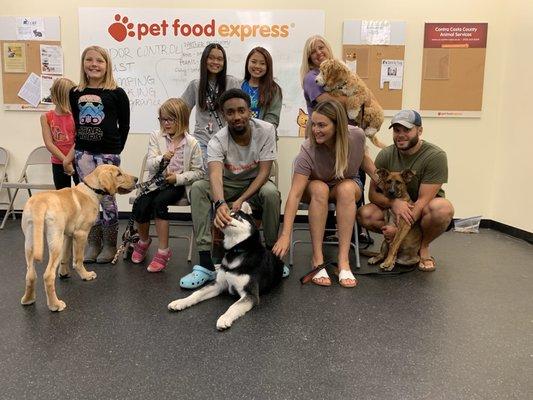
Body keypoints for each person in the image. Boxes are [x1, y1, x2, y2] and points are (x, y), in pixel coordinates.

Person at [180, 88, 281, 289]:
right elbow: (215, 174)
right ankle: (206, 264)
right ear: (224, 115)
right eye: (231, 112)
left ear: (250, 111)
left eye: (241, 110)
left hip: (254, 183)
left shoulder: (267, 130)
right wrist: (220, 203)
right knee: (199, 187)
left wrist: (242, 199)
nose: (237, 116)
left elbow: (264, 173)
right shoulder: (217, 139)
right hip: (227, 184)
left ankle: (271, 257)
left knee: (271, 193)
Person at [272, 100, 377, 288]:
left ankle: (343, 261)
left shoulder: (356, 136)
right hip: (314, 186)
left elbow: (365, 162)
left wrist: (388, 191)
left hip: (344, 184)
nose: (315, 130)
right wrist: (285, 234)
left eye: (322, 125)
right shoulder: (308, 149)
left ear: (338, 126)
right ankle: (317, 259)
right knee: (320, 188)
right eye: (313, 124)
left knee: (346, 189)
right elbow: (295, 194)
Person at [357, 110, 454, 271]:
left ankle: (423, 247)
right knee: (365, 214)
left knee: (442, 209)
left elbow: (422, 201)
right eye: (397, 130)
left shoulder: (435, 156)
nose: (401, 135)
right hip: (396, 208)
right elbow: (373, 195)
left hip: (424, 211)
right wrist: (393, 203)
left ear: (419, 131)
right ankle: (400, 243)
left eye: (407, 130)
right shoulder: (386, 155)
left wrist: (398, 229)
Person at [65, 45, 130, 264]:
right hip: (83, 153)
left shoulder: (117, 93)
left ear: (107, 65)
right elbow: (76, 123)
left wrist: (116, 150)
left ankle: (110, 244)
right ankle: (93, 243)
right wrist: (74, 153)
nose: (94, 64)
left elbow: (125, 125)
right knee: (87, 201)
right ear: (83, 64)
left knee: (108, 201)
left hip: (108, 155)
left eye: (99, 60)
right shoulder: (75, 93)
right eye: (89, 60)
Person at [130, 98, 204, 272]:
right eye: (163, 119)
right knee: (141, 204)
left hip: (176, 186)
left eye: (170, 119)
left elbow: (199, 172)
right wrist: (162, 158)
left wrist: (177, 178)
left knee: (159, 203)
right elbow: (150, 164)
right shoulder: (156, 136)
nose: (166, 123)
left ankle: (163, 251)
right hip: (156, 183)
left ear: (182, 120)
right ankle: (144, 241)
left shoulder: (192, 143)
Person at [181, 43, 241, 168]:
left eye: (219, 59)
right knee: (204, 178)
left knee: (225, 179)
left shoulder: (232, 82)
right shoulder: (196, 85)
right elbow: (181, 111)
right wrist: (186, 136)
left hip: (227, 142)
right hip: (202, 142)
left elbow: (241, 111)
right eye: (211, 58)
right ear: (205, 60)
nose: (215, 62)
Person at [40, 77, 80, 190]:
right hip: (58, 162)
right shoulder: (46, 117)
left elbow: (79, 140)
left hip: (78, 160)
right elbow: (49, 143)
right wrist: (65, 161)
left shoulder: (76, 115)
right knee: (62, 196)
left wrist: (69, 160)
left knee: (83, 195)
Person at [241, 47, 283, 129]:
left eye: (262, 63)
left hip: (263, 138)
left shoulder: (274, 89)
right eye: (253, 62)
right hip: (239, 137)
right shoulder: (238, 85)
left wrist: (257, 134)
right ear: (247, 63)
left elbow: (272, 119)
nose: (257, 66)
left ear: (268, 67)